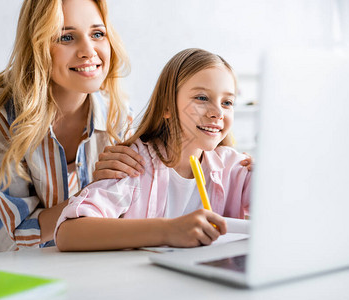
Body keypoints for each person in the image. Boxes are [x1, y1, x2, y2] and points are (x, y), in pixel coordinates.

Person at [0, 0, 145, 259]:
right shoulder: (2, 116)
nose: (88, 50)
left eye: (97, 34)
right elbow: (23, 230)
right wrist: (95, 189)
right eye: (66, 37)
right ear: (37, 46)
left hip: (39, 259)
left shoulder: (118, 117)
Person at [55, 48, 252, 251]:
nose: (218, 112)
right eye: (202, 98)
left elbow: (282, 211)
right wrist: (168, 231)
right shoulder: (135, 165)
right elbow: (68, 233)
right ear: (166, 106)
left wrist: (271, 177)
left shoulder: (233, 168)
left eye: (227, 102)